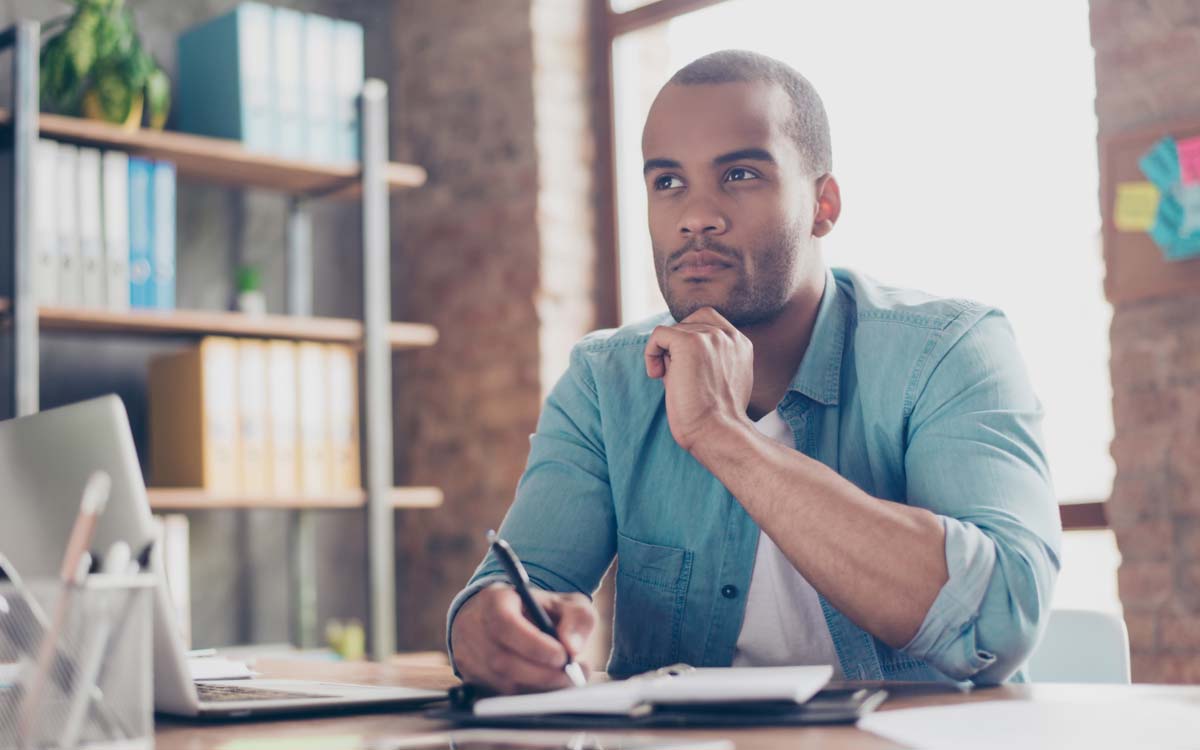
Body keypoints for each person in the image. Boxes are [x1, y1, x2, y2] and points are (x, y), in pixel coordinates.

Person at [446, 49, 1062, 694]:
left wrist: (723, 435)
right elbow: (519, 583)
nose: (696, 215)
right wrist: (484, 629)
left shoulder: (949, 349)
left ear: (823, 205)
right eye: (667, 182)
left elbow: (1001, 623)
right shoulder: (607, 380)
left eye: (739, 174)